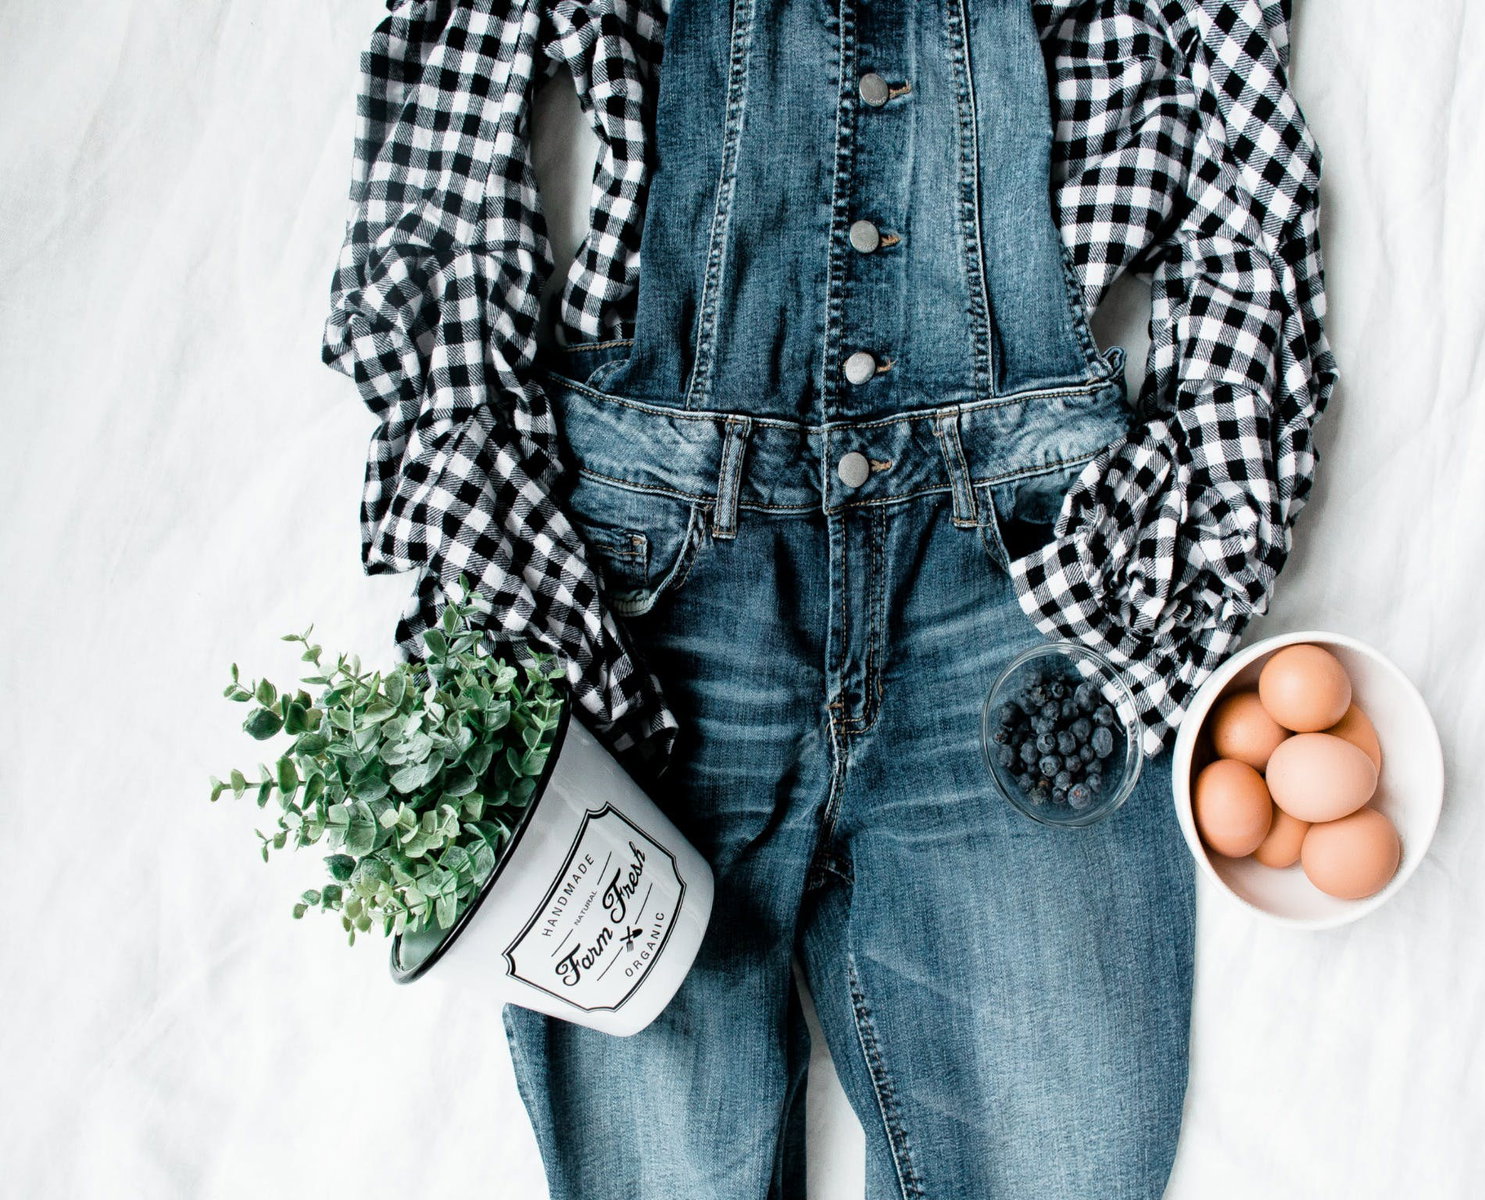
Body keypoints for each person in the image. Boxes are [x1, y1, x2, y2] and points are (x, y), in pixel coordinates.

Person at [321, 1, 1336, 1195]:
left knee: (1052, 1151)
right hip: (661, 596)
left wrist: (1199, 477)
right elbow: (451, 90)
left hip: (1012, 568)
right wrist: (490, 499)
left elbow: (1243, 172)